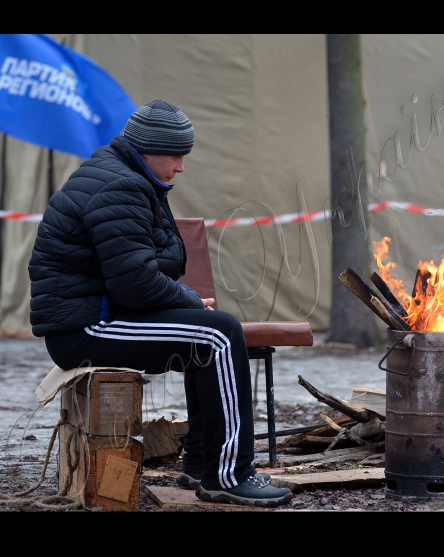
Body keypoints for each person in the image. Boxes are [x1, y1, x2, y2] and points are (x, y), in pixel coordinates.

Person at [28, 99, 292, 508]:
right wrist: (188, 299)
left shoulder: (126, 174)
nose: (182, 167)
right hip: (85, 329)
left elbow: (142, 268)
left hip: (92, 319)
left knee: (205, 334)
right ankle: (230, 475)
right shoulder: (121, 184)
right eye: (178, 155)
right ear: (150, 148)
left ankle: (203, 463)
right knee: (218, 335)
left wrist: (185, 303)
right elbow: (135, 282)